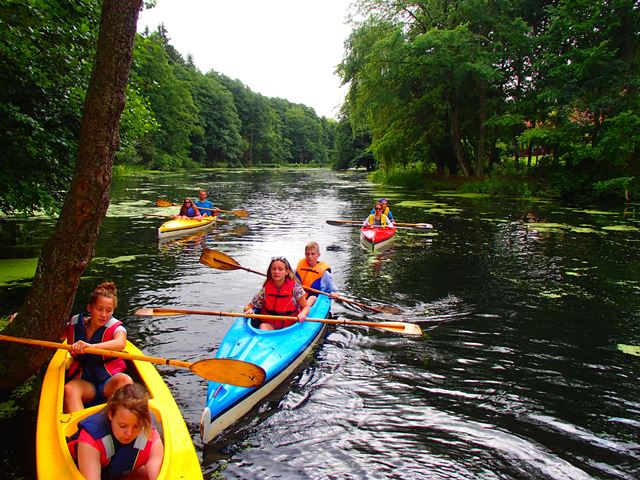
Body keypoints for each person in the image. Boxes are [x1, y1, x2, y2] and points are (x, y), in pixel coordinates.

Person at [68, 383, 164, 480]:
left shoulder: (151, 437)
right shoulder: (90, 441)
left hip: (121, 471)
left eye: (136, 426)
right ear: (110, 415)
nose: (129, 433)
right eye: (123, 426)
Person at [64, 282, 133, 413]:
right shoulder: (75, 325)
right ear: (89, 308)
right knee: (69, 389)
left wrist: (91, 346)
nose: (104, 315)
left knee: (126, 381)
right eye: (99, 309)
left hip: (109, 381)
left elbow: (120, 343)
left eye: (109, 310)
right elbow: (55, 333)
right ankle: (79, 425)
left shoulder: (117, 328)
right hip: (85, 383)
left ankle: (120, 420)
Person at [244, 256, 310, 330]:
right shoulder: (265, 289)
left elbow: (305, 307)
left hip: (290, 326)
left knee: (311, 299)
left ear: (287, 272)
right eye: (274, 269)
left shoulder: (295, 288)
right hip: (270, 325)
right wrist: (249, 310)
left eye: (280, 269)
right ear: (270, 271)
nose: (276, 272)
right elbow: (248, 307)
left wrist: (302, 314)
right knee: (263, 327)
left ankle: (312, 298)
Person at [295, 241, 340, 308]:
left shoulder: (325, 274)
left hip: (314, 301)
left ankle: (304, 309)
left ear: (318, 255)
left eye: (313, 254)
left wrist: (335, 294)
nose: (310, 256)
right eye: (307, 254)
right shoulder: (298, 268)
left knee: (312, 298)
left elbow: (334, 291)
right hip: (299, 298)